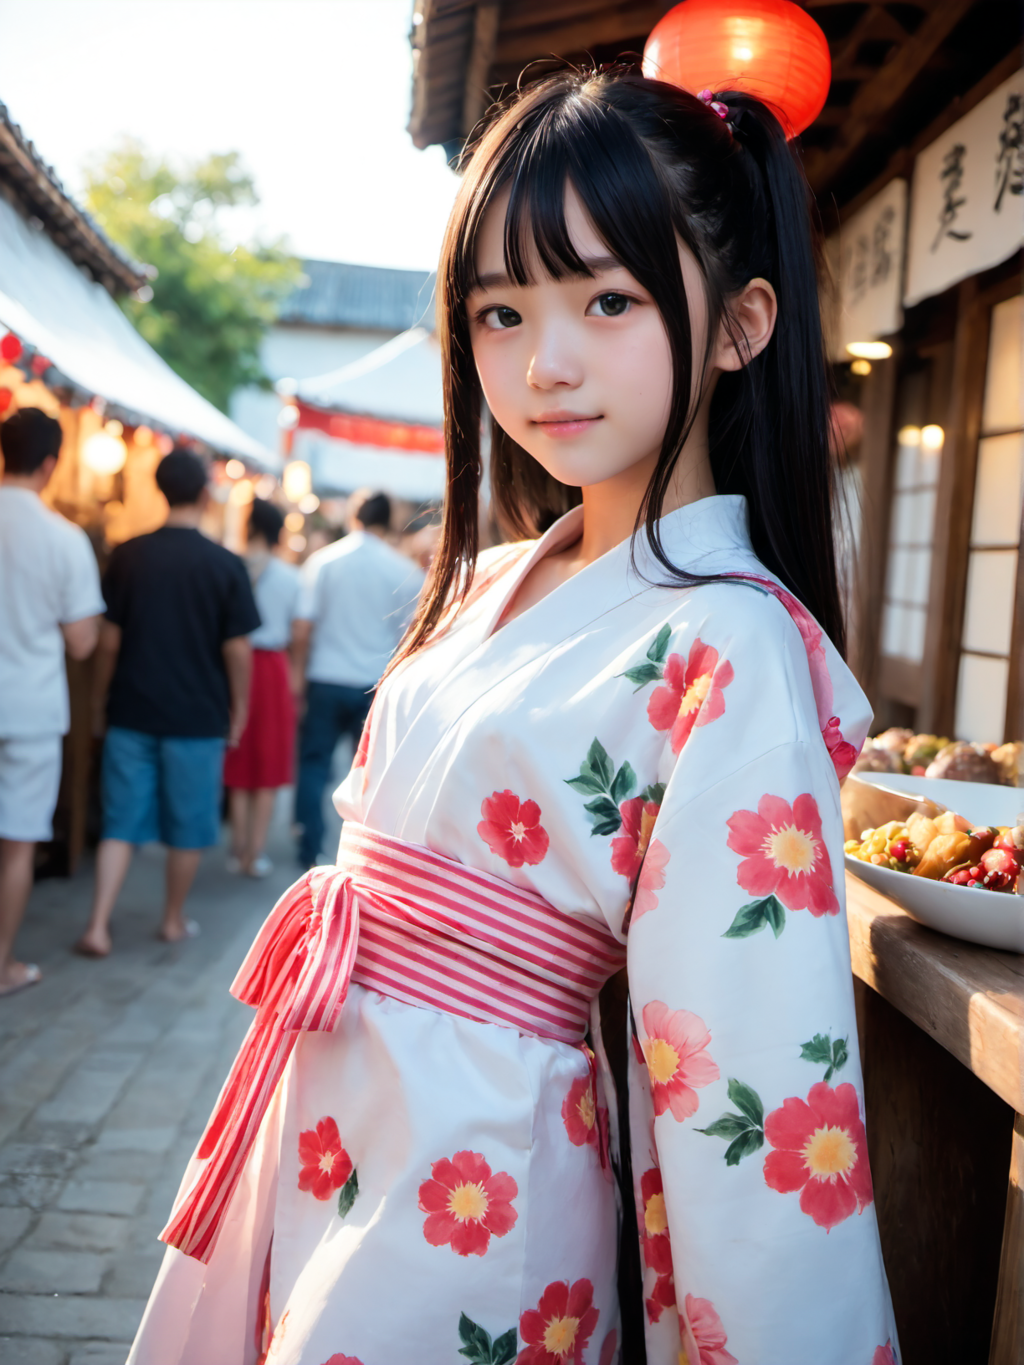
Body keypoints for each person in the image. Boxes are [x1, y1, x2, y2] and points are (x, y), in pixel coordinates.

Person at [129, 68, 897, 1365]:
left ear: (741, 324)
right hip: (330, 1117)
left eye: (607, 298)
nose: (544, 363)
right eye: (500, 310)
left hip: (472, 1174)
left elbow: (753, 1089)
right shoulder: (493, 579)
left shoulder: (732, 645)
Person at [76, 449, 260, 957]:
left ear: (159, 490)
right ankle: (173, 921)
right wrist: (239, 708)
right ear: (204, 494)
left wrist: (99, 700)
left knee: (120, 822)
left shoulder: (128, 555)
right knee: (188, 825)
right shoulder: (226, 565)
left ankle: (97, 925)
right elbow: (238, 650)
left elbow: (109, 642)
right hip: (197, 718)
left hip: (131, 709)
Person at [0, 408, 102, 997]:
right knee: (16, 845)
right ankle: (4, 963)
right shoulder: (63, 538)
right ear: (50, 464)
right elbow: (83, 641)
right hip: (32, 709)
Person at [291, 490, 424, 868]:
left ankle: (308, 846)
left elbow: (302, 627)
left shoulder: (324, 561)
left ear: (354, 516)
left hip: (325, 676)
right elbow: (410, 639)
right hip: (375, 684)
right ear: (388, 522)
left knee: (314, 764)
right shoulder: (403, 570)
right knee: (370, 775)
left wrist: (297, 677)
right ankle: (361, 858)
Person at [224, 498, 300, 878]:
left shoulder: (231, 564)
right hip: (272, 668)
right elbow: (298, 629)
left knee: (238, 759)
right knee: (268, 764)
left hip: (232, 663)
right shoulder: (290, 576)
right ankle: (255, 853)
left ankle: (238, 847)